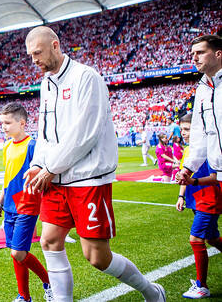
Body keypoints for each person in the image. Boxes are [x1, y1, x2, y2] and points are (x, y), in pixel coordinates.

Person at [22, 26, 165, 302]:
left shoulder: (86, 77)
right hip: (54, 177)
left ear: (55, 45)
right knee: (49, 241)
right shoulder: (46, 83)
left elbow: (85, 133)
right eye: (30, 55)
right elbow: (44, 131)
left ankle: (152, 291)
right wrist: (39, 163)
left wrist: (52, 167)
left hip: (86, 178)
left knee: (97, 257)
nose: (34, 60)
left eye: (37, 53)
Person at [0, 103, 52, 302]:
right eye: (2, 123)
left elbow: (44, 173)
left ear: (22, 123)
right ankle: (24, 297)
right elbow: (7, 178)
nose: (4, 127)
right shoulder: (7, 146)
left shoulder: (33, 145)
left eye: (8, 123)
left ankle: (50, 283)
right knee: (16, 253)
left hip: (27, 204)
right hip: (9, 206)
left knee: (18, 253)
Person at [175, 113, 222, 299]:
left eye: (187, 129)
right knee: (213, 238)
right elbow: (184, 175)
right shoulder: (189, 150)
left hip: (209, 200)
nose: (183, 133)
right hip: (196, 200)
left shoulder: (210, 150)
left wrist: (193, 182)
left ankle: (202, 286)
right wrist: (181, 196)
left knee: (195, 239)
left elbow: (214, 178)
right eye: (182, 129)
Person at [178, 34, 222, 186]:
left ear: (218, 54)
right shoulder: (202, 90)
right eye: (193, 54)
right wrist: (188, 168)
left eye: (200, 52)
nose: (194, 58)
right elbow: (201, 134)